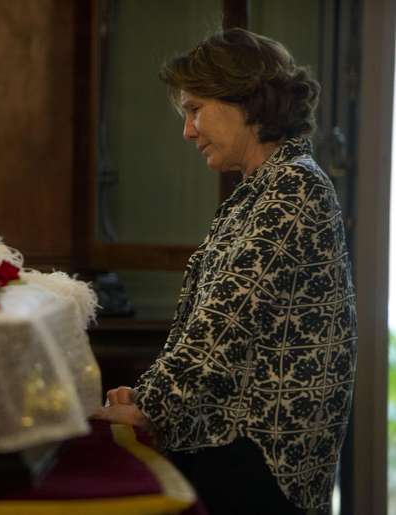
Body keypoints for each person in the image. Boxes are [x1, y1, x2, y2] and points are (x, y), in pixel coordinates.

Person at [92, 28, 357, 515]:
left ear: (249, 103)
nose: (188, 130)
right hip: (238, 446)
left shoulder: (292, 189)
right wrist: (151, 391)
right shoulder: (266, 188)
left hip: (260, 458)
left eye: (195, 110)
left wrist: (151, 399)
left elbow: (226, 321)